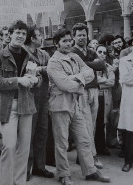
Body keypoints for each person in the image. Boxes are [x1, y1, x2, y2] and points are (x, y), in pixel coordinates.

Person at [47, 28, 111, 185]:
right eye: (64, 41)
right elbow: (65, 84)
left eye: (69, 40)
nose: (68, 43)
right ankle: (64, 174)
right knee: (62, 142)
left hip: (76, 104)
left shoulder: (75, 56)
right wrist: (80, 81)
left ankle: (90, 170)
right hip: (60, 106)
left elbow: (89, 72)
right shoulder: (53, 62)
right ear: (56, 44)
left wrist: (76, 79)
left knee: (84, 138)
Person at [0, 20, 40, 185]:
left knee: (24, 149)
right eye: (17, 32)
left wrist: (35, 80)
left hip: (26, 105)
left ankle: (19, 182)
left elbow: (38, 78)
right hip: (8, 107)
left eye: (23, 33)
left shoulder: (30, 55)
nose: (20, 36)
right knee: (9, 146)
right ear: (10, 34)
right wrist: (18, 80)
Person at [71, 23, 105, 167]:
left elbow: (102, 64)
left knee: (93, 123)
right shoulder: (72, 52)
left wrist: (86, 64)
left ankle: (83, 155)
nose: (82, 38)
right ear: (74, 37)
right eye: (79, 35)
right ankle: (91, 156)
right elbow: (77, 68)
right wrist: (91, 63)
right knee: (85, 125)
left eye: (84, 35)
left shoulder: (90, 51)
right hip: (81, 91)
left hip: (94, 90)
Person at [23, 26, 54, 180]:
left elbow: (52, 69)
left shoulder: (44, 53)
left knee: (42, 131)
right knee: (29, 133)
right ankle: (26, 169)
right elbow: (28, 73)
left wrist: (40, 69)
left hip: (43, 98)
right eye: (39, 35)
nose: (42, 37)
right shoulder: (23, 53)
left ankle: (39, 166)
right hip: (29, 97)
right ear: (32, 38)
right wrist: (45, 69)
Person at [118, 33, 133, 172]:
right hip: (129, 100)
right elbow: (125, 79)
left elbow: (130, 79)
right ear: (130, 47)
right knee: (129, 132)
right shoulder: (124, 60)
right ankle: (128, 161)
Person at [95, 45, 115, 155]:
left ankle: (101, 147)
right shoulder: (91, 66)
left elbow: (112, 82)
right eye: (100, 51)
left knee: (102, 123)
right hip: (94, 97)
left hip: (104, 98)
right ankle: (94, 149)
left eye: (104, 52)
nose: (102, 54)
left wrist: (98, 83)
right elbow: (91, 79)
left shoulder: (108, 67)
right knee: (94, 123)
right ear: (96, 52)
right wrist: (104, 80)